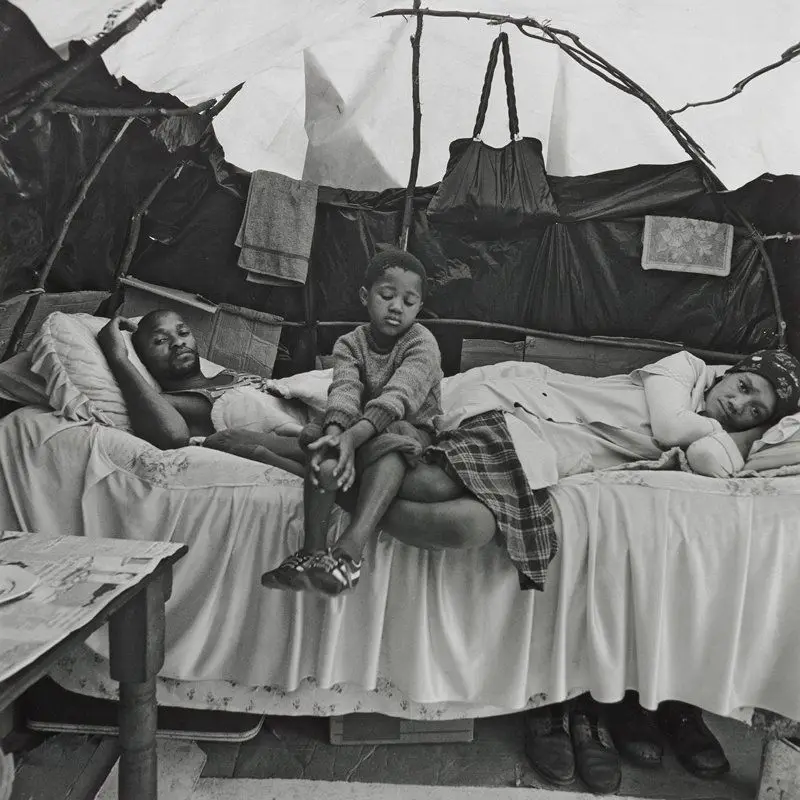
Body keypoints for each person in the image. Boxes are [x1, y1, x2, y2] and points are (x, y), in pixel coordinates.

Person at [98, 303, 800, 793]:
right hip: (520, 417)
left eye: (755, 410)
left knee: (465, 527)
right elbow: (681, 429)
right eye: (743, 387)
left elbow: (716, 455)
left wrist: (735, 439)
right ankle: (345, 474)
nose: (740, 405)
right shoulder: (682, 375)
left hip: (521, 448)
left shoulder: (720, 433)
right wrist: (123, 358)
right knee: (426, 476)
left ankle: (320, 481)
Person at [260, 248, 443, 595]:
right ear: (365, 296)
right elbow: (344, 391)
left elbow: (398, 397)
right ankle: (311, 551)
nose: (396, 307)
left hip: (410, 429)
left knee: (395, 441)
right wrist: (335, 435)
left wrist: (351, 439)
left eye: (408, 301)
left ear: (419, 307)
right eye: (386, 296)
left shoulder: (423, 343)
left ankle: (350, 553)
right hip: (358, 429)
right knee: (318, 440)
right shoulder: (349, 343)